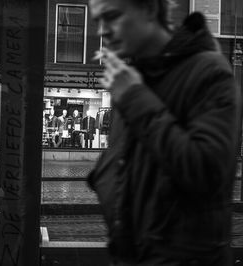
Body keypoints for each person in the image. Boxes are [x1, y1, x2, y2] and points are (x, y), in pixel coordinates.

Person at [87, 0, 242, 265]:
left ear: (149, 9)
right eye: (97, 20)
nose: (103, 30)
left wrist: (135, 98)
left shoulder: (209, 72)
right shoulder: (133, 78)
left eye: (112, 16)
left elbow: (207, 171)